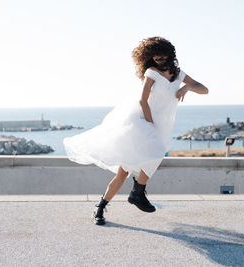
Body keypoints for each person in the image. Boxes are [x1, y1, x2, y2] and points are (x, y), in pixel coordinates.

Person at [63, 36, 209, 225]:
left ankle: (134, 193)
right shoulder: (152, 73)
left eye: (161, 54)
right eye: (153, 55)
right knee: (135, 165)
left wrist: (187, 87)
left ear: (169, 53)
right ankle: (107, 205)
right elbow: (143, 101)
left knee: (139, 164)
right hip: (143, 121)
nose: (157, 57)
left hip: (163, 125)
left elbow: (204, 89)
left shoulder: (178, 74)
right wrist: (150, 125)